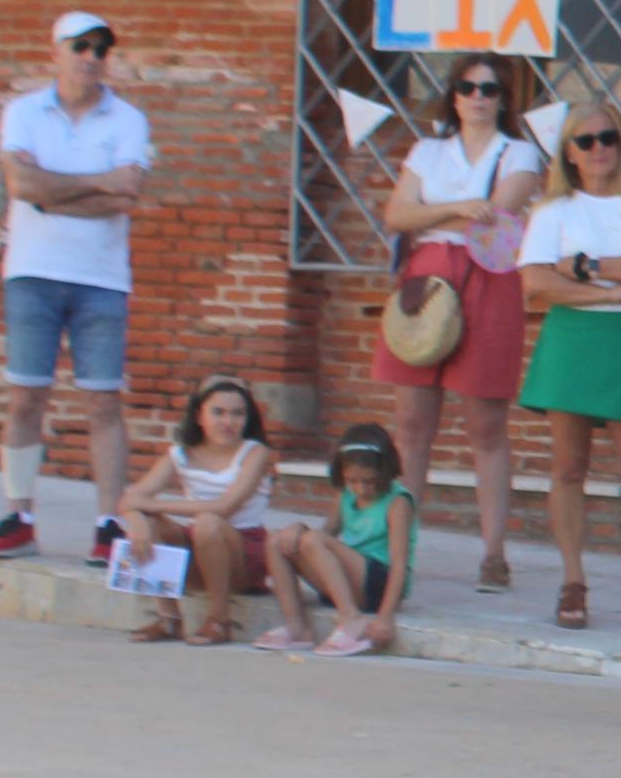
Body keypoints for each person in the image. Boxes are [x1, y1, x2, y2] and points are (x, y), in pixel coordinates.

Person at [0, 11, 156, 563]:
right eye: (80, 46)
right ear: (56, 51)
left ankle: (108, 522)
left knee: (103, 402)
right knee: (25, 397)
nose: (91, 57)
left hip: (101, 278)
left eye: (102, 49)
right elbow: (20, 183)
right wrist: (97, 182)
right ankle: (19, 514)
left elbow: (126, 198)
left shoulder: (127, 119)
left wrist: (53, 190)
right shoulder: (24, 111)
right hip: (33, 270)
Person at [372, 50, 547, 592]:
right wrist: (459, 209)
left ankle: (494, 551)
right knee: (412, 423)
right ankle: (401, 548)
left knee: (485, 424)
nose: (477, 97)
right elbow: (396, 215)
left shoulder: (518, 151)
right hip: (427, 274)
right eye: (468, 87)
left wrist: (444, 211)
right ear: (453, 94)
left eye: (489, 89)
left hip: (486, 276)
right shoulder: (429, 149)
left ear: (503, 99)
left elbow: (500, 210)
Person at [513, 93, 621, 638]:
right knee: (567, 467)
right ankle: (573, 580)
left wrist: (585, 268)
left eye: (607, 137)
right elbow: (537, 282)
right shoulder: (552, 209)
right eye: (585, 141)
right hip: (573, 337)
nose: (599, 148)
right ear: (569, 152)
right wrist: (607, 289)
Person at [120, 375, 273, 646]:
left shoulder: (256, 453)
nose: (228, 422)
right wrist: (139, 520)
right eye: (218, 412)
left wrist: (151, 505)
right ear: (199, 415)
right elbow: (130, 499)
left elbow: (224, 507)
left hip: (242, 554)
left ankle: (219, 620)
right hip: (199, 548)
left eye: (238, 413)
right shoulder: (181, 453)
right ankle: (169, 618)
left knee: (207, 522)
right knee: (152, 522)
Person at [260, 423, 415, 658]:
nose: (361, 489)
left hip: (378, 583)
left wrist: (385, 616)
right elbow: (327, 533)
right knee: (277, 541)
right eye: (353, 481)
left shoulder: (397, 502)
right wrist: (297, 528)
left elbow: (400, 564)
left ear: (385, 471)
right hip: (346, 581)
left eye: (369, 481)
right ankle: (296, 627)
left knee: (312, 540)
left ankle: (351, 619)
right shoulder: (345, 494)